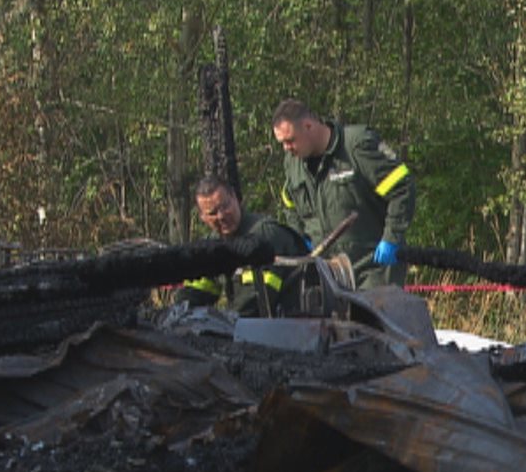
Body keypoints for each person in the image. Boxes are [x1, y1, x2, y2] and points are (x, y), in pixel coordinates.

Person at [271, 99, 415, 289]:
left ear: (308, 126)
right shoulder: (293, 163)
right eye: (282, 143)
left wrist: (392, 237)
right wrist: (300, 237)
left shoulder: (356, 146)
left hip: (373, 271)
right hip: (329, 277)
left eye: (290, 140)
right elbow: (289, 202)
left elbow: (402, 188)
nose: (286, 148)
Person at [177, 176, 309, 316]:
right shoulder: (214, 243)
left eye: (225, 206)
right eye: (213, 213)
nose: (221, 216)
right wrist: (178, 313)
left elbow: (255, 301)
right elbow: (197, 289)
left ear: (235, 198)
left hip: (291, 325)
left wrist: (226, 323)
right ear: (202, 217)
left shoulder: (265, 234)